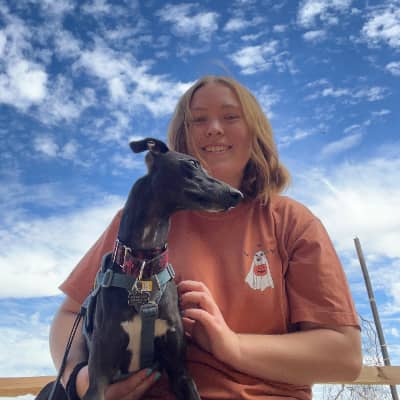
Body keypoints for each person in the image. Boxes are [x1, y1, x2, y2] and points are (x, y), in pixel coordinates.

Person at [49, 76, 362, 400]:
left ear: (254, 132)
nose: (213, 128)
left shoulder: (291, 222)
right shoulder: (136, 220)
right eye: (198, 120)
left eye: (231, 116)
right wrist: (79, 379)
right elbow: (70, 315)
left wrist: (232, 345)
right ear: (182, 137)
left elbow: (344, 356)